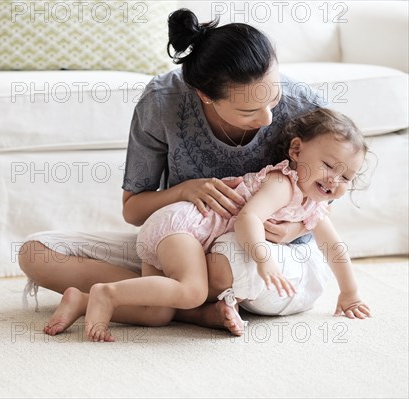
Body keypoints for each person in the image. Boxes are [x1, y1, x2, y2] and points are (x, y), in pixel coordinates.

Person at [19, 9, 365, 335]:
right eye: (248, 111)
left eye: (273, 99)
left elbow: (322, 198)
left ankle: (163, 298)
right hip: (181, 237)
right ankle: (194, 309)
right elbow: (133, 210)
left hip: (259, 255)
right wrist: (184, 191)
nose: (267, 119)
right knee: (37, 253)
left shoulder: (305, 108)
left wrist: (291, 231)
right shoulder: (163, 101)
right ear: (204, 96)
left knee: (224, 265)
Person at [52, 108, 371, 342]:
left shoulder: (314, 206)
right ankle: (107, 293)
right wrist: (263, 259)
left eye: (346, 177)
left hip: (179, 234)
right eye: (329, 165)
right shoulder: (283, 183)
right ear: (297, 150)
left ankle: (81, 300)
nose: (334, 180)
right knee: (192, 292)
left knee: (157, 313)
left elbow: (333, 246)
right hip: (182, 226)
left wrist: (350, 292)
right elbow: (249, 219)